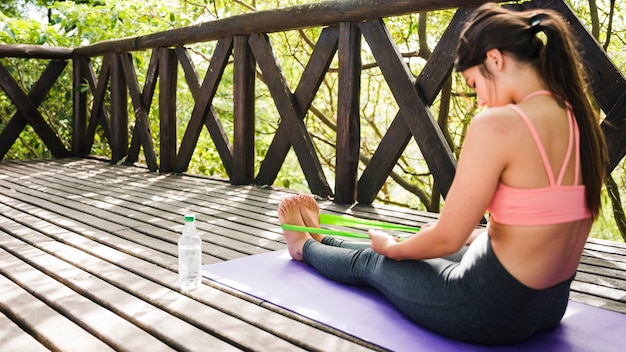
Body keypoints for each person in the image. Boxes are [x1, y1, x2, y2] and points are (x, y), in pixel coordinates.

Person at [278, 2, 608, 345]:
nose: (480, 100)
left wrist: (392, 250)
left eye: (475, 83)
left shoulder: (499, 124)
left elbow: (447, 238)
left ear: (494, 59)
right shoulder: (579, 118)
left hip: (489, 309)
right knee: (418, 244)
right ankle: (322, 238)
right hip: (550, 304)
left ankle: (304, 247)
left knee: (374, 261)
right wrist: (469, 236)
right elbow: (544, 219)